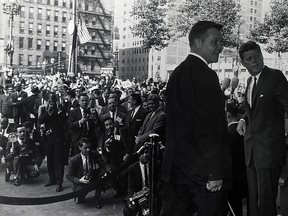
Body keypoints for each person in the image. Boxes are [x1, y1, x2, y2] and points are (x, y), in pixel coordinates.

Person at [160, 21, 231, 216]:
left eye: (220, 42)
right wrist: (214, 173)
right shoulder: (206, 76)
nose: (220, 47)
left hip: (176, 171)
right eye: (215, 42)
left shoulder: (177, 74)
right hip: (202, 175)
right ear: (198, 43)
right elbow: (209, 128)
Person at [236, 40, 288, 216]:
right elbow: (252, 110)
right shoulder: (250, 81)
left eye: (257, 56)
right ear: (243, 63)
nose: (255, 61)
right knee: (253, 202)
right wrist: (243, 120)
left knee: (266, 203)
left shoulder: (275, 77)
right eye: (249, 59)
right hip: (251, 152)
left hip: (269, 151)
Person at [66, 138, 106, 209]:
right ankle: (80, 196)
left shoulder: (94, 154)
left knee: (102, 179)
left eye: (89, 147)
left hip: (93, 178)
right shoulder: (74, 160)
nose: (88, 150)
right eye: (85, 148)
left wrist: (104, 173)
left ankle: (96, 199)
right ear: (80, 148)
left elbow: (103, 165)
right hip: (81, 181)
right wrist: (79, 180)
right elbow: (68, 175)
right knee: (79, 193)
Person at [38, 92, 66, 192]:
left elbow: (63, 121)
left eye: (54, 100)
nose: (52, 102)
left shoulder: (61, 108)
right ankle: (52, 179)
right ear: (47, 100)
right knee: (50, 159)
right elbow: (40, 120)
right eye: (50, 100)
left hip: (58, 138)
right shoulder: (43, 108)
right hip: (48, 138)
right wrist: (48, 113)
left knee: (58, 160)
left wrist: (58, 111)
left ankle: (59, 182)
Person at [226, 102, 247, 216]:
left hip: (232, 179)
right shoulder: (244, 130)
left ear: (228, 115)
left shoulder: (227, 135)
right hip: (245, 176)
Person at [122, 92, 148, 161]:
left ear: (134, 101)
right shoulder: (129, 113)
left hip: (138, 146)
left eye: (130, 100)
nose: (128, 101)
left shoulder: (144, 112)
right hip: (127, 146)